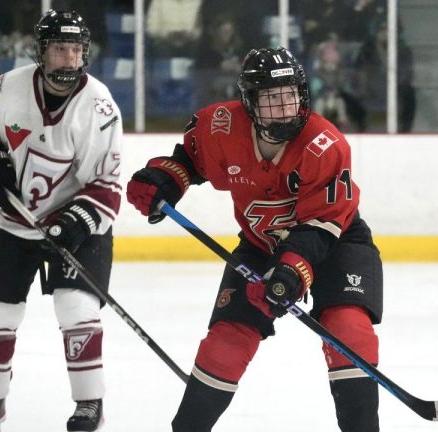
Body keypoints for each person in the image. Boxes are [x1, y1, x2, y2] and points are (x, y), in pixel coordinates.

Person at [126, 47, 383, 432]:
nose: (284, 108)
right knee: (226, 341)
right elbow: (190, 161)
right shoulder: (219, 127)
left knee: (348, 330)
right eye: (271, 99)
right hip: (261, 246)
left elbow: (321, 225)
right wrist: (165, 179)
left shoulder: (325, 144)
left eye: (291, 95)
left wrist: (291, 273)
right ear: (249, 103)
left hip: (336, 242)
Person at [0, 9, 122, 432]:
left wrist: (72, 225)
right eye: (59, 49)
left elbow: (106, 186)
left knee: (76, 307)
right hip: (15, 223)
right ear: (41, 52)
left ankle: (90, 404)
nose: (68, 58)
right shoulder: (6, 88)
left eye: (76, 50)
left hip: (79, 226)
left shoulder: (99, 106)